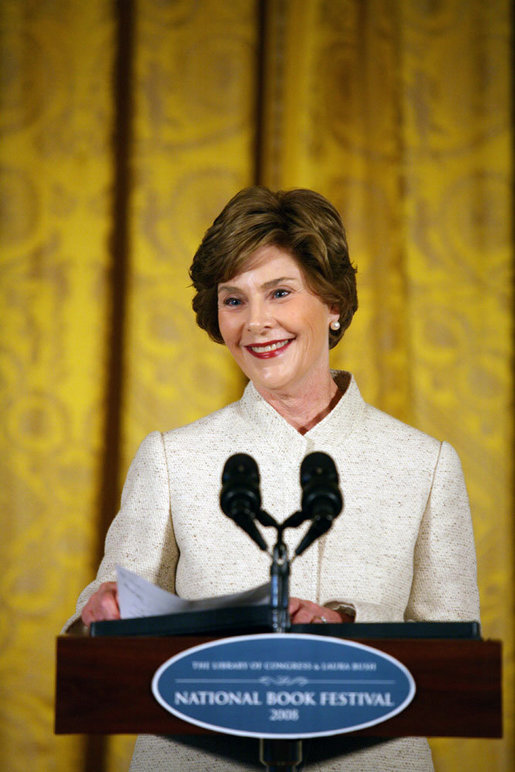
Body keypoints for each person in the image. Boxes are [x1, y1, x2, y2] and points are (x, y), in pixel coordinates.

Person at [65, 187, 480, 770]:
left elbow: (453, 660)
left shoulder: (427, 464)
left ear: (333, 304)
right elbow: (105, 615)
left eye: (280, 293)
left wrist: (347, 632)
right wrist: (100, 610)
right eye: (233, 301)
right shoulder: (170, 457)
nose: (255, 323)